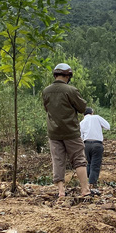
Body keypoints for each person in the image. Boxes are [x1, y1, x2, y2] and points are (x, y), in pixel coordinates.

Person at [42, 63, 91, 198]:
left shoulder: (46, 91)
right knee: (79, 160)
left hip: (54, 132)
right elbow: (82, 108)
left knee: (57, 161)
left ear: (55, 75)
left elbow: (46, 108)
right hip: (71, 131)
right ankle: (85, 190)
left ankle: (61, 192)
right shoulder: (71, 90)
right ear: (68, 75)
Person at [80, 106, 110, 194]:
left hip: (86, 144)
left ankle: (86, 182)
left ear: (83, 114)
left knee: (89, 163)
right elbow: (108, 126)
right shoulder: (96, 117)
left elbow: (81, 137)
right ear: (92, 112)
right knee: (95, 165)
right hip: (97, 144)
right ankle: (91, 184)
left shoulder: (81, 122)